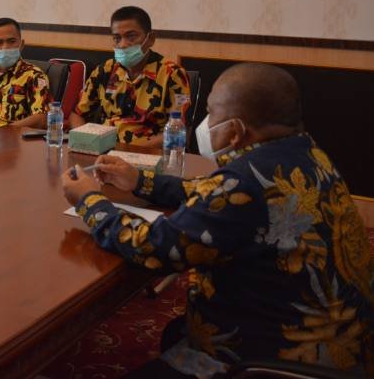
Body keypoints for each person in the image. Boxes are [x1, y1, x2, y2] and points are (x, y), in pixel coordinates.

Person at [62, 63, 372, 378]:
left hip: (276, 359)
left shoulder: (244, 182)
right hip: (345, 342)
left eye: (211, 113)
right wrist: (139, 181)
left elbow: (154, 248)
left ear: (235, 131)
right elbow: (213, 192)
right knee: (175, 332)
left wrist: (90, 201)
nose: (205, 123)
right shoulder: (304, 155)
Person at [69, 6, 189, 148]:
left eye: (131, 36)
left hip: (147, 153)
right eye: (117, 38)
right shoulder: (105, 70)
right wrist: (86, 141)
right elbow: (77, 114)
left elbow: (177, 131)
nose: (123, 44)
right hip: (103, 150)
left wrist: (129, 151)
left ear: (150, 39)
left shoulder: (173, 74)